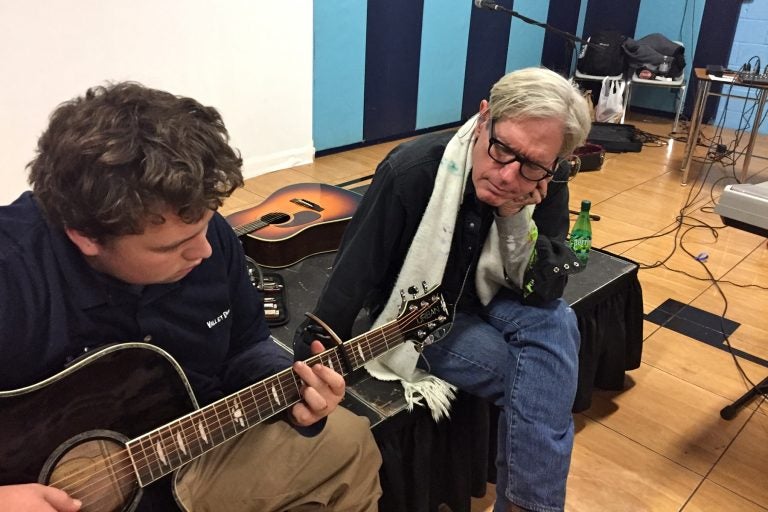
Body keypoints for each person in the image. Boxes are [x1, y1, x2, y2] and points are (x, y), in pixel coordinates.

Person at [0, 82, 382, 511]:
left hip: (185, 446)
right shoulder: (13, 273)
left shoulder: (205, 235)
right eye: (170, 247)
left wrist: (292, 388)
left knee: (347, 439)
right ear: (85, 236)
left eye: (206, 225)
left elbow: (246, 344)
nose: (203, 250)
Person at [294, 67, 591, 512]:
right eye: (503, 149)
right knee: (539, 386)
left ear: (555, 161)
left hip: (498, 294)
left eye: (531, 165)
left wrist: (514, 220)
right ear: (484, 116)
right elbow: (353, 273)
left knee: (559, 321)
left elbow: (546, 289)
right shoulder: (411, 169)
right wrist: (313, 355)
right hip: (426, 311)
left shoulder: (547, 179)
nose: (510, 176)